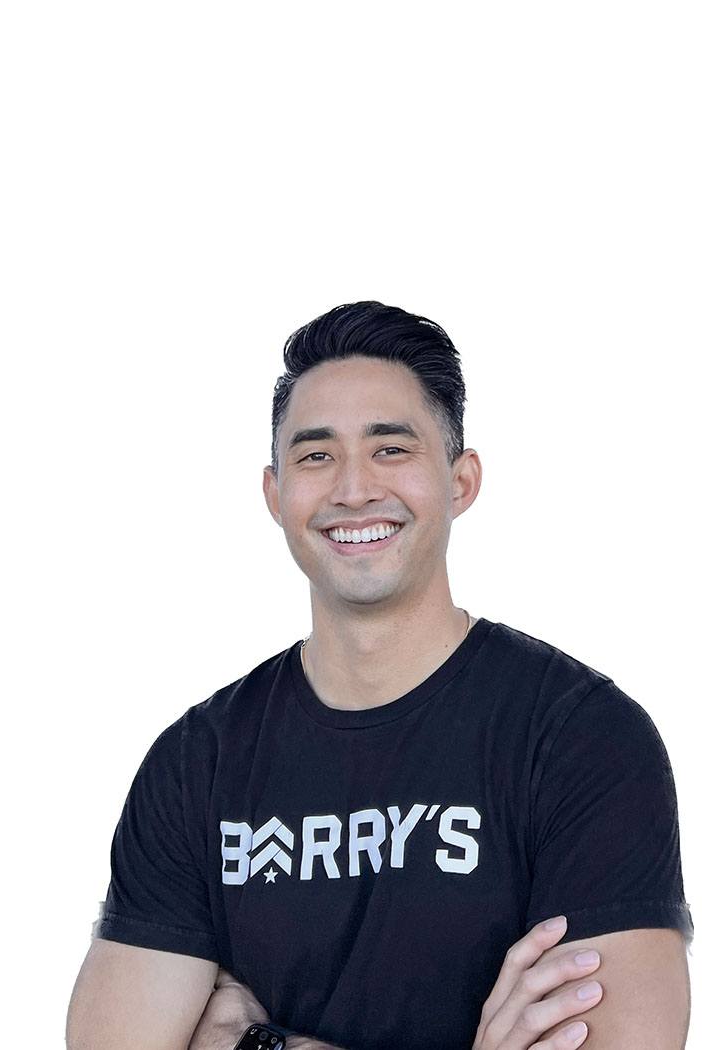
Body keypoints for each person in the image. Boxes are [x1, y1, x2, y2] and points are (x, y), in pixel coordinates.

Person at [66, 302, 693, 1049]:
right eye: (315, 455)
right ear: (275, 494)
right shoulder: (196, 763)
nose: (354, 489)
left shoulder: (580, 738)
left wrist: (264, 1047)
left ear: (461, 481)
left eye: (391, 449)